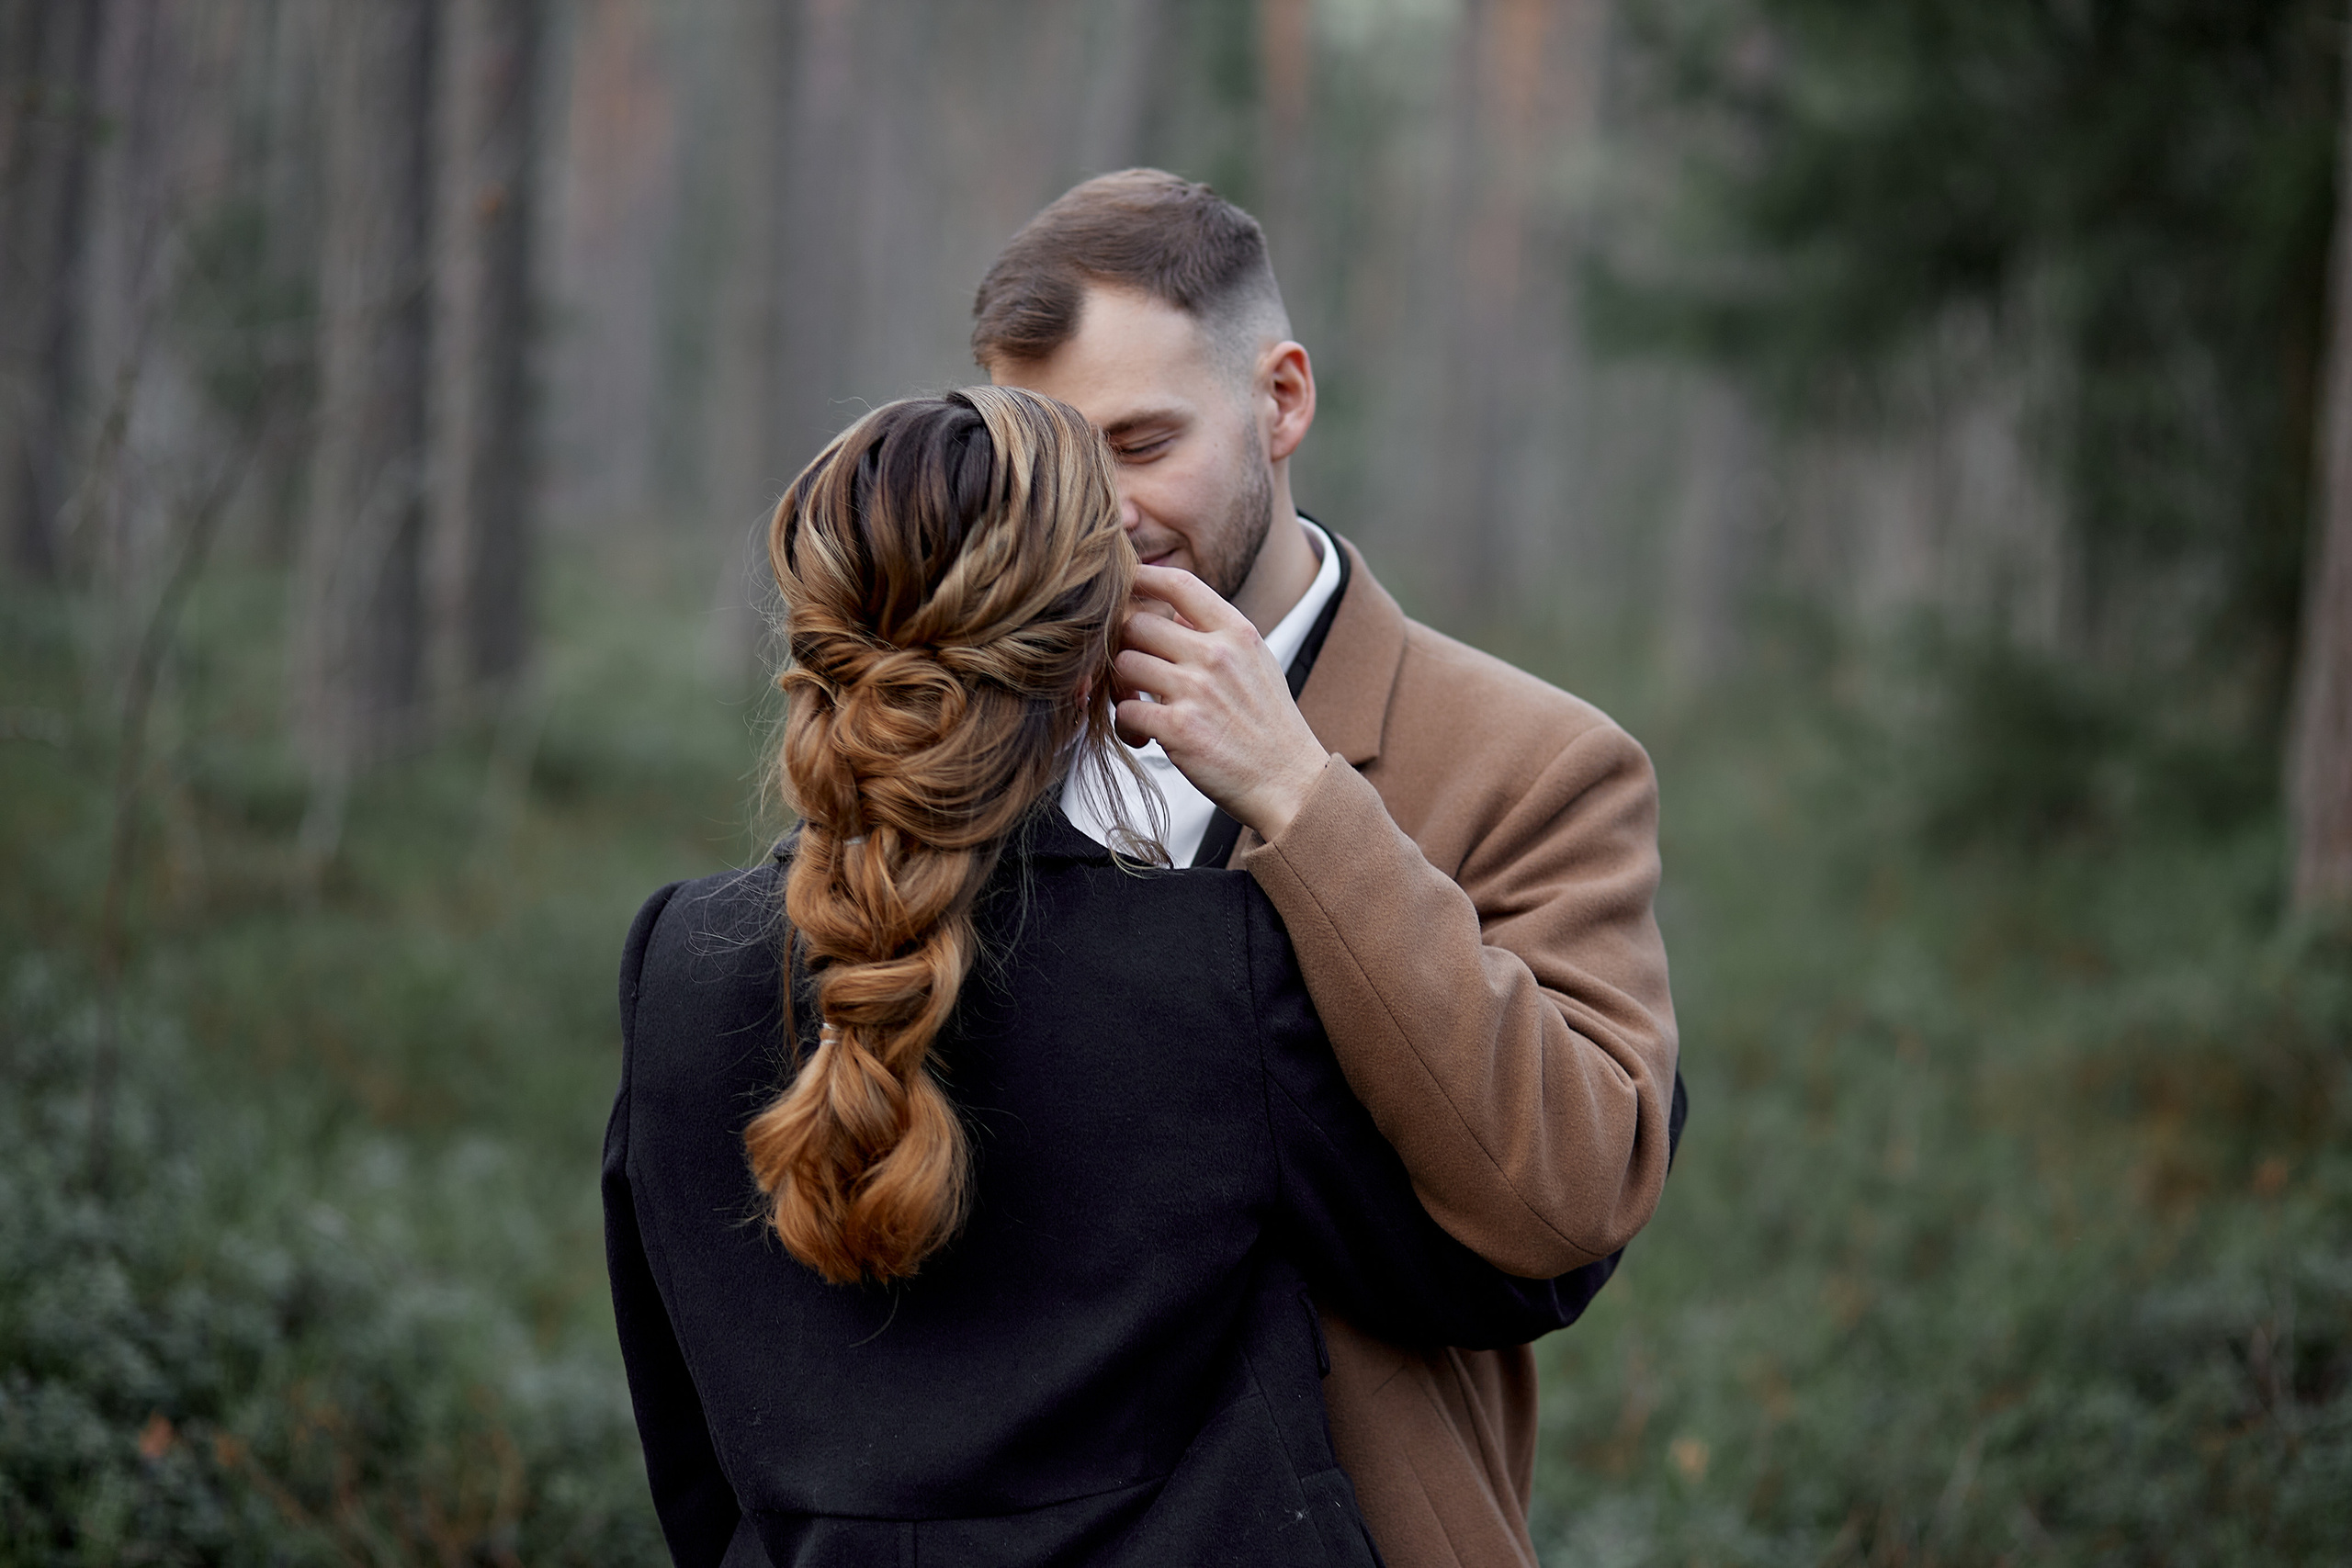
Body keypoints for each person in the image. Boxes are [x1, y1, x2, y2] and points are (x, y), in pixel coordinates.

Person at [603, 386, 1611, 1567]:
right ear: (1098, 661)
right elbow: (1499, 1277)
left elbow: (688, 1451)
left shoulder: (677, 964)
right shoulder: (1216, 966)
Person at [975, 170, 1684, 1568]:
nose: (1093, 516)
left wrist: (1302, 796)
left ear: (1282, 400)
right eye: (1046, 460)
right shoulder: (957, 740)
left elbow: (1566, 1188)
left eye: (1142, 442)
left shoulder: (1541, 762)